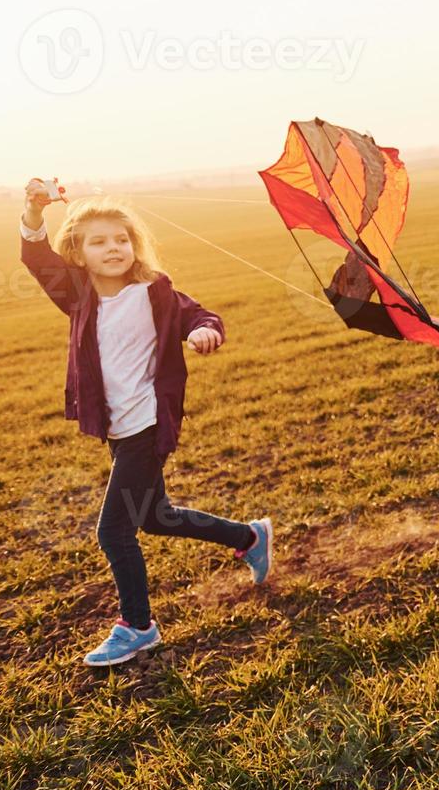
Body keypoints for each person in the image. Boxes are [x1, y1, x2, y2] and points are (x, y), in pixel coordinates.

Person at [19, 180, 273, 666]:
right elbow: (35, 256)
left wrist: (203, 332)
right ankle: (249, 537)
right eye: (98, 241)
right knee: (157, 517)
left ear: (134, 245)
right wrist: (33, 210)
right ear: (77, 251)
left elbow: (201, 315)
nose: (113, 248)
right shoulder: (76, 294)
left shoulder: (154, 292)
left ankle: (138, 626)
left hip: (149, 425)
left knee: (114, 531)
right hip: (117, 428)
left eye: (121, 239)